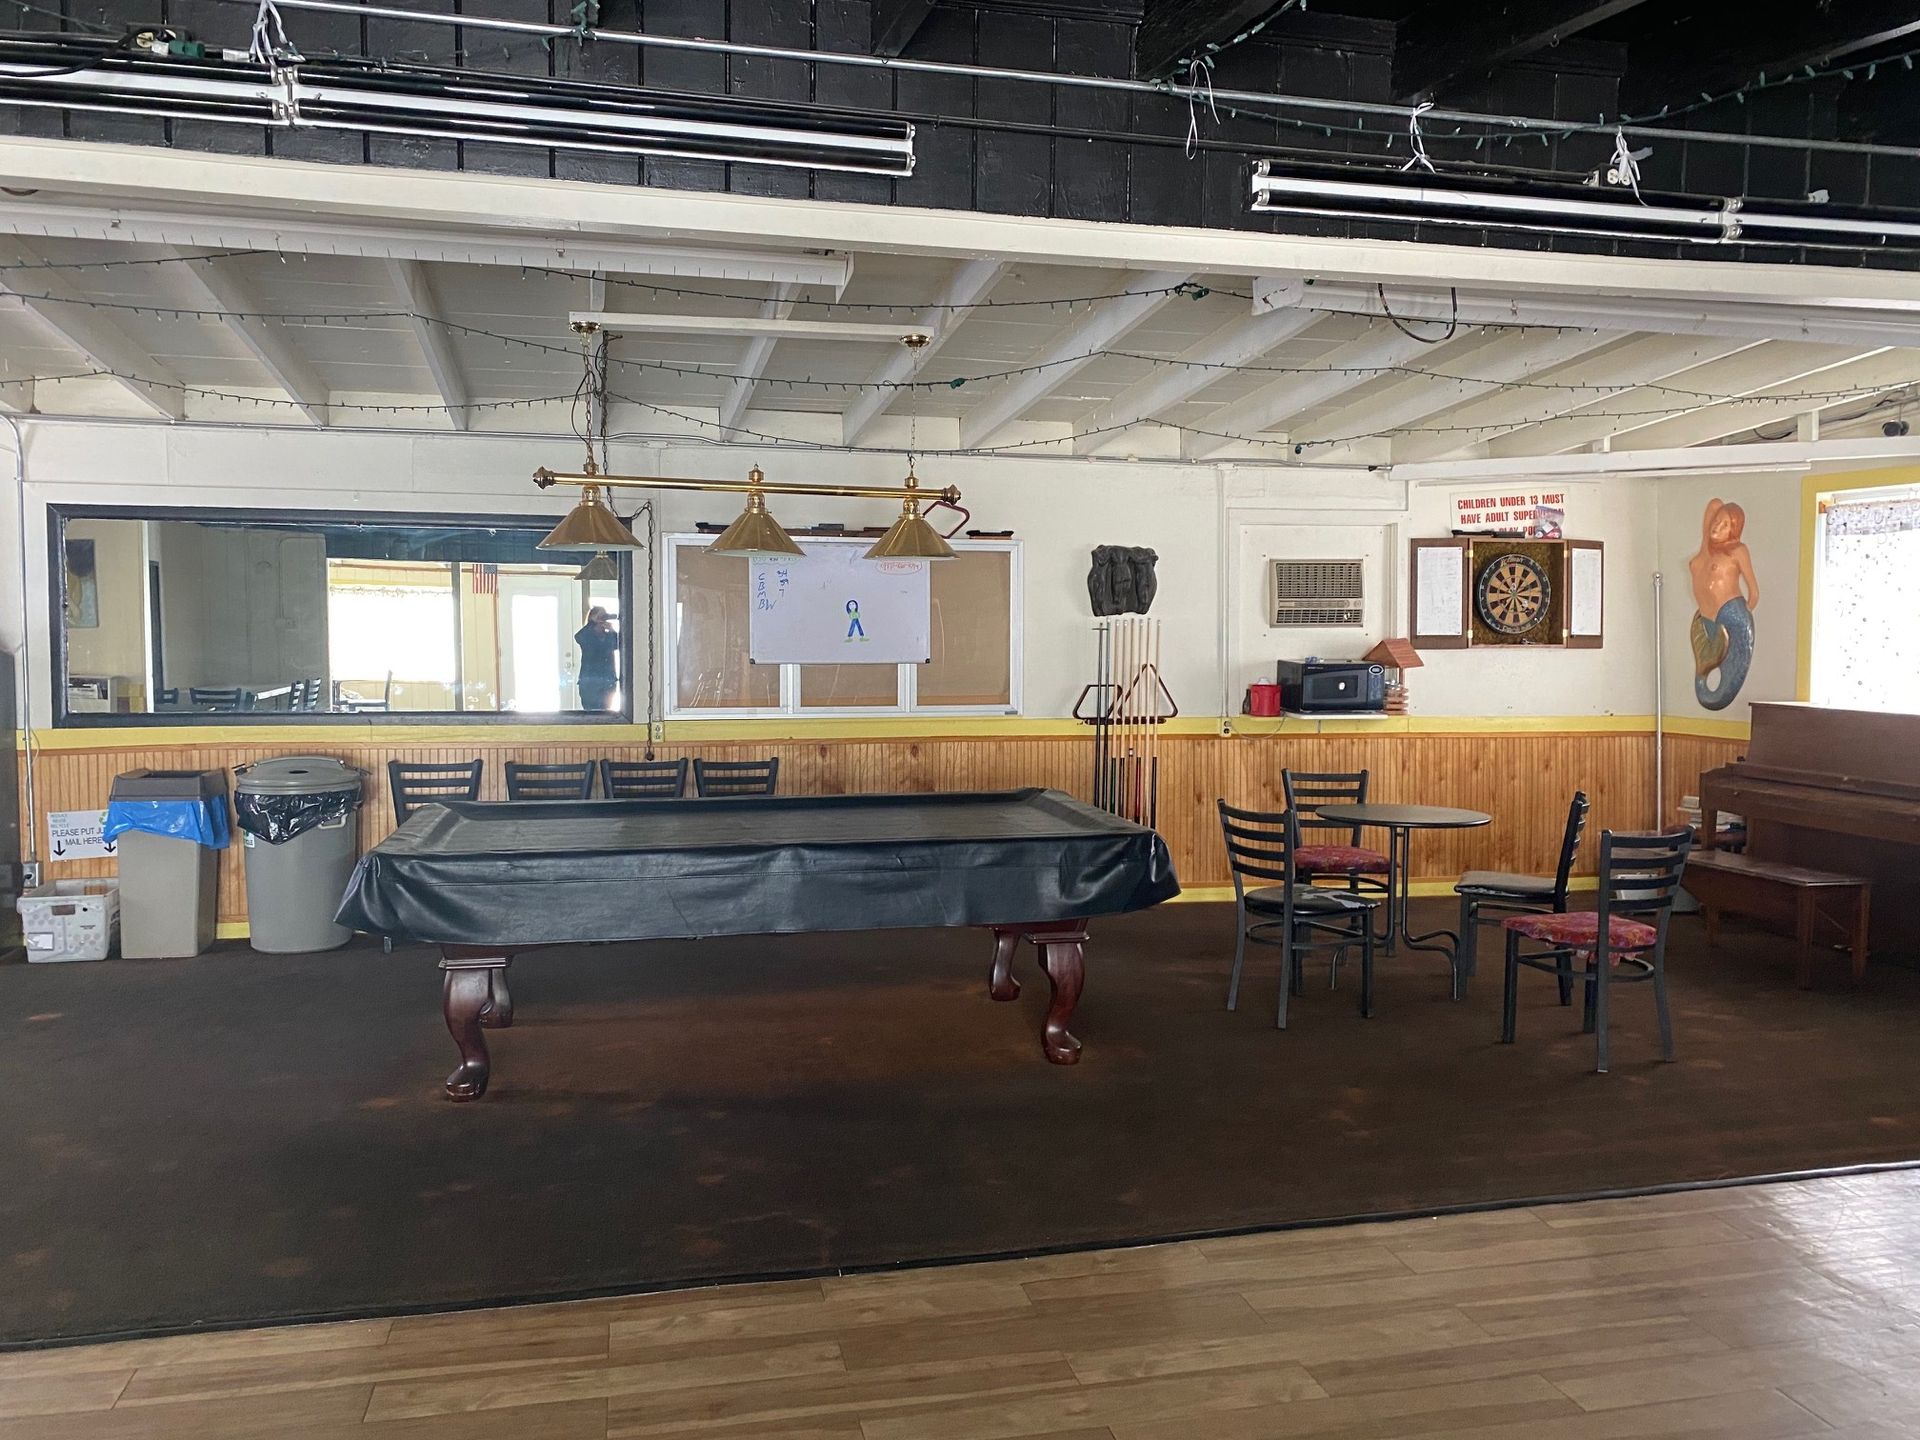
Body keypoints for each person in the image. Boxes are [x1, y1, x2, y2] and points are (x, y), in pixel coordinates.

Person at [1688, 499, 1758, 712]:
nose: (1716, 527)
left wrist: (1741, 613)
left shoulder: (1738, 551)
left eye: (1725, 525)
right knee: (1705, 679)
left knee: (1724, 683)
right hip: (1706, 618)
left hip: (1731, 614)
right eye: (1716, 522)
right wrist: (1719, 511)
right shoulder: (1707, 549)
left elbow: (1753, 591)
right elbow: (1713, 504)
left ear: (1734, 531)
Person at [574, 606, 619, 712]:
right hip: (589, 681)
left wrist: (612, 630)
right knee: (590, 713)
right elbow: (578, 637)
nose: (602, 618)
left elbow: (618, 644)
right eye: (599, 616)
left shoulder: (608, 636)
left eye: (604, 616)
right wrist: (592, 623)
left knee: (606, 712)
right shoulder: (587, 635)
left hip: (607, 681)